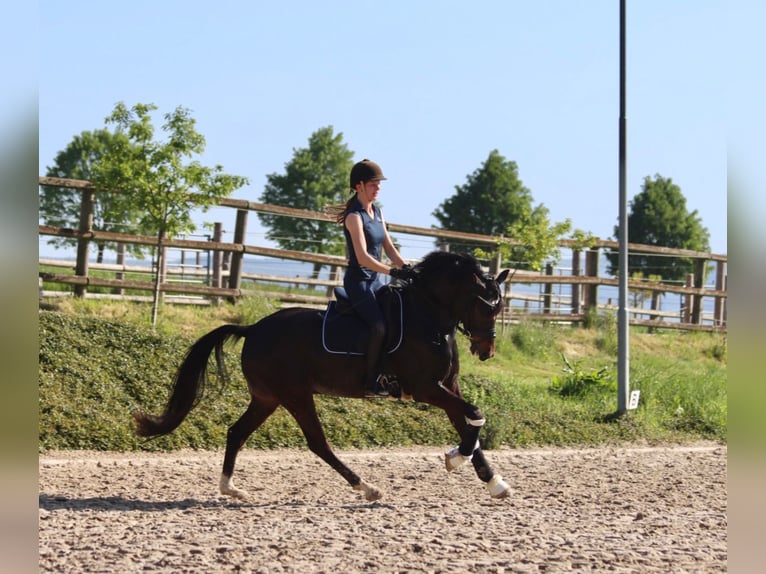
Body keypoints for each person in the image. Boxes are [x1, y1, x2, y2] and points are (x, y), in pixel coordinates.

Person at [336, 159, 414, 397]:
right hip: (359, 283)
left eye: (379, 183)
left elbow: (389, 248)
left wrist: (407, 267)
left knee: (399, 318)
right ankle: (371, 381)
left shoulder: (377, 212)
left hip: (376, 282)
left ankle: (395, 375)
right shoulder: (354, 217)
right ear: (359, 186)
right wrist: (392, 272)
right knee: (379, 327)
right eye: (373, 183)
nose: (378, 187)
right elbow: (362, 258)